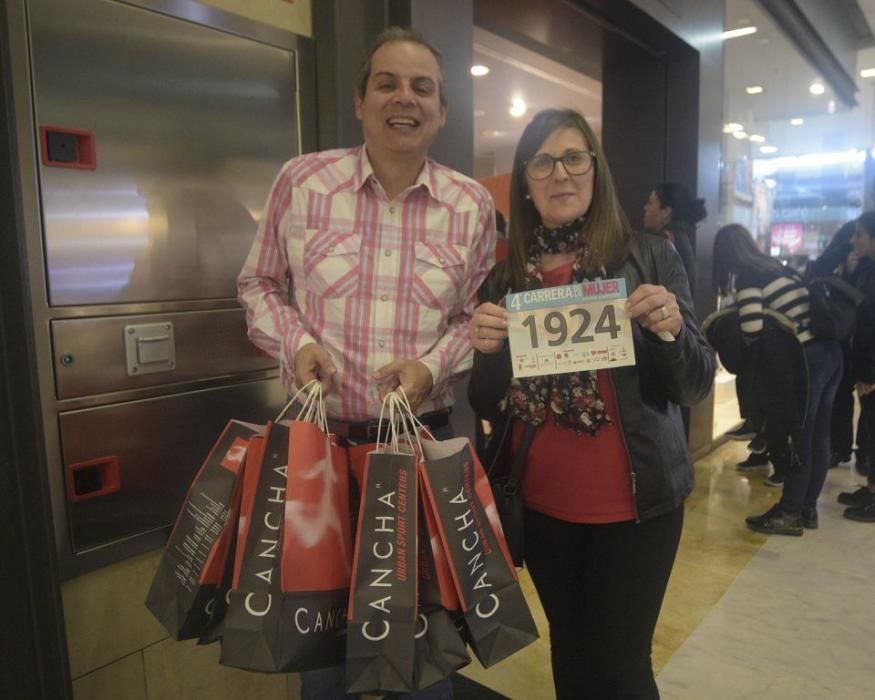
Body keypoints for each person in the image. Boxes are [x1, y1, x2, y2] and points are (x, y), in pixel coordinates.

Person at [238, 27, 496, 700]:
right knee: (319, 646)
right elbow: (258, 284)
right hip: (317, 458)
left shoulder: (471, 206)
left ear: (441, 110)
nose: (402, 99)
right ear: (359, 101)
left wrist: (430, 367)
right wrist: (297, 346)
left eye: (421, 87)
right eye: (387, 83)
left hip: (417, 449)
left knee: (418, 648)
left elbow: (478, 319)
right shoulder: (303, 181)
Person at [468, 108, 715, 699]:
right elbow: (488, 403)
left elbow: (694, 384)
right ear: (525, 182)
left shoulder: (649, 256)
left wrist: (670, 333)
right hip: (544, 507)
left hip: (637, 504)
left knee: (622, 666)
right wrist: (488, 352)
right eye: (543, 162)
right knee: (572, 653)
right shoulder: (506, 281)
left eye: (574, 157)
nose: (561, 174)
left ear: (596, 170)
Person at [711, 224, 842, 535]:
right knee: (818, 435)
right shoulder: (776, 267)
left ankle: (790, 512)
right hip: (829, 353)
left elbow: (753, 329)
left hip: (806, 359)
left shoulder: (749, 278)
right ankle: (807, 508)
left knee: (798, 438)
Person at [839, 212, 875, 521]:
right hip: (865, 363)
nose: (853, 241)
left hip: (872, 367)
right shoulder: (867, 268)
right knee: (869, 428)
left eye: (859, 235)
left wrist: (869, 372)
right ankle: (871, 487)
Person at [642, 182, 706, 298]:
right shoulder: (681, 236)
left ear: (666, 211)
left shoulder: (663, 241)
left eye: (650, 203)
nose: (645, 207)